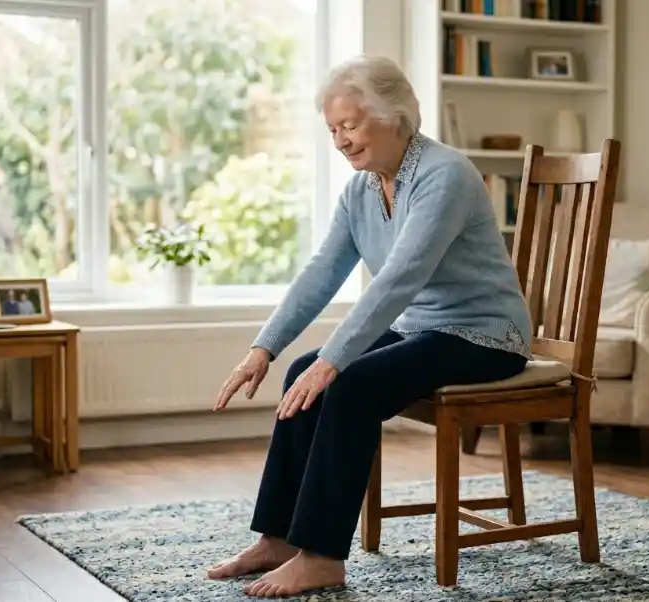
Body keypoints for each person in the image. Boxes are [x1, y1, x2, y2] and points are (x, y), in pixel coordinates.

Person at [208, 54, 533, 598]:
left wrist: (339, 360)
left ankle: (323, 556)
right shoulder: (360, 192)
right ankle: (280, 538)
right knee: (302, 371)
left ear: (395, 116)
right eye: (333, 128)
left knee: (347, 383)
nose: (340, 140)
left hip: (486, 334)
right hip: (423, 331)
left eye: (351, 125)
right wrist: (262, 348)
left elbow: (399, 280)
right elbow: (321, 275)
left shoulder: (444, 175)